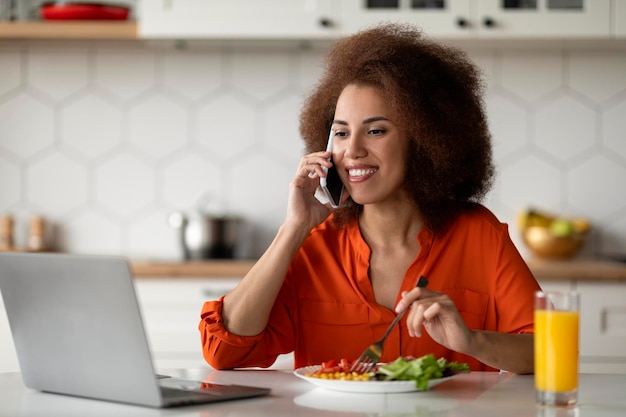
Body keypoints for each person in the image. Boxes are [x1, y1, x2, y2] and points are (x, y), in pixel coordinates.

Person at [199, 23, 540, 374]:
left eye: (376, 131)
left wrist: (471, 341)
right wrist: (293, 229)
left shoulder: (478, 235)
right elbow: (224, 352)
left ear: (425, 139)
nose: (353, 151)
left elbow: (547, 351)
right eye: (342, 133)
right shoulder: (314, 245)